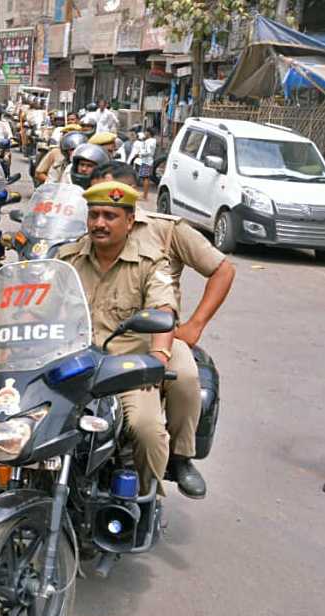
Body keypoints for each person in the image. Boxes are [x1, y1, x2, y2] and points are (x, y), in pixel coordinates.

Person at [93, 161, 235, 498]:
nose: (101, 217)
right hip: (99, 338)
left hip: (154, 335)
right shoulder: (84, 237)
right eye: (94, 207)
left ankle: (180, 457)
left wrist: (195, 325)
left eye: (111, 209)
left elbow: (222, 270)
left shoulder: (166, 230)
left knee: (184, 378)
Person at [57, 181, 177, 496]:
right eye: (94, 214)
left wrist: (160, 358)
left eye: (110, 216)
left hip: (122, 372)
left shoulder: (151, 262)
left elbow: (164, 310)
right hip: (68, 367)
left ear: (129, 221)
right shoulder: (67, 258)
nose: (99, 223)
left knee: (147, 428)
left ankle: (143, 500)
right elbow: (39, 303)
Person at [129, 127, 158, 200]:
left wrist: (139, 154)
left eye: (146, 132)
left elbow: (148, 152)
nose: (145, 133)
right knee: (144, 177)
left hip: (146, 161)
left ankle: (145, 196)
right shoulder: (149, 141)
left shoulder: (150, 141)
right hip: (145, 161)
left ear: (149, 133)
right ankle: (143, 195)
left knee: (145, 178)